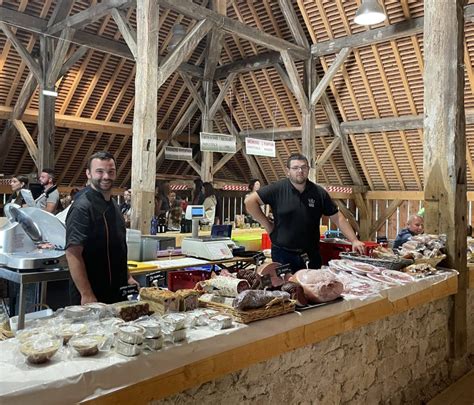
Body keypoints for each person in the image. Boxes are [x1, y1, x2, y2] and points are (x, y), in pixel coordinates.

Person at [245, 153, 365, 272]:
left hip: (310, 254)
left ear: (308, 169)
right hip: (283, 253)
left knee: (312, 288)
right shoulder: (277, 189)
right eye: (295, 168)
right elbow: (250, 201)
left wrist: (354, 240)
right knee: (286, 289)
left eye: (304, 167)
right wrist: (267, 224)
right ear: (288, 171)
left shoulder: (319, 193)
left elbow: (337, 217)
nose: (300, 171)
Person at [65, 151, 138, 305]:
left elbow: (119, 248)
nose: (106, 176)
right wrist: (86, 294)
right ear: (88, 174)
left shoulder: (115, 206)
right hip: (92, 294)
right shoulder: (82, 207)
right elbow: (73, 253)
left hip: (117, 291)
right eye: (100, 171)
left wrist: (128, 276)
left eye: (111, 172)